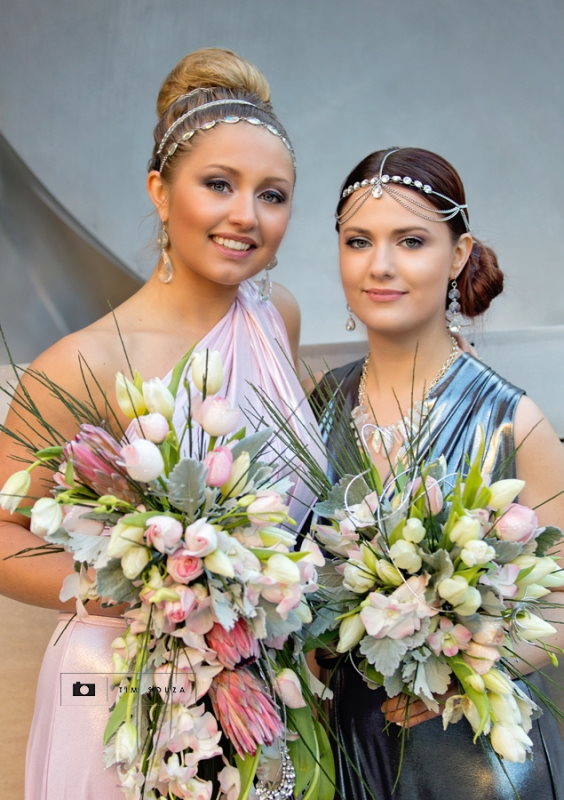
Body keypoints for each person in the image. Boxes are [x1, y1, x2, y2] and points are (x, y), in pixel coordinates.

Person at [0, 48, 320, 798]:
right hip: (126, 687)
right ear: (159, 190)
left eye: (272, 195)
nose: (247, 215)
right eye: (218, 185)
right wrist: (136, 589)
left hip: (264, 688)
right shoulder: (81, 361)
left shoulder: (279, 318)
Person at [313, 147, 564, 799]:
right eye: (358, 241)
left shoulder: (513, 419)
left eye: (412, 240)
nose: (381, 265)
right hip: (353, 748)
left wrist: (463, 670)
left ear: (457, 254)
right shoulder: (319, 404)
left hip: (476, 764)